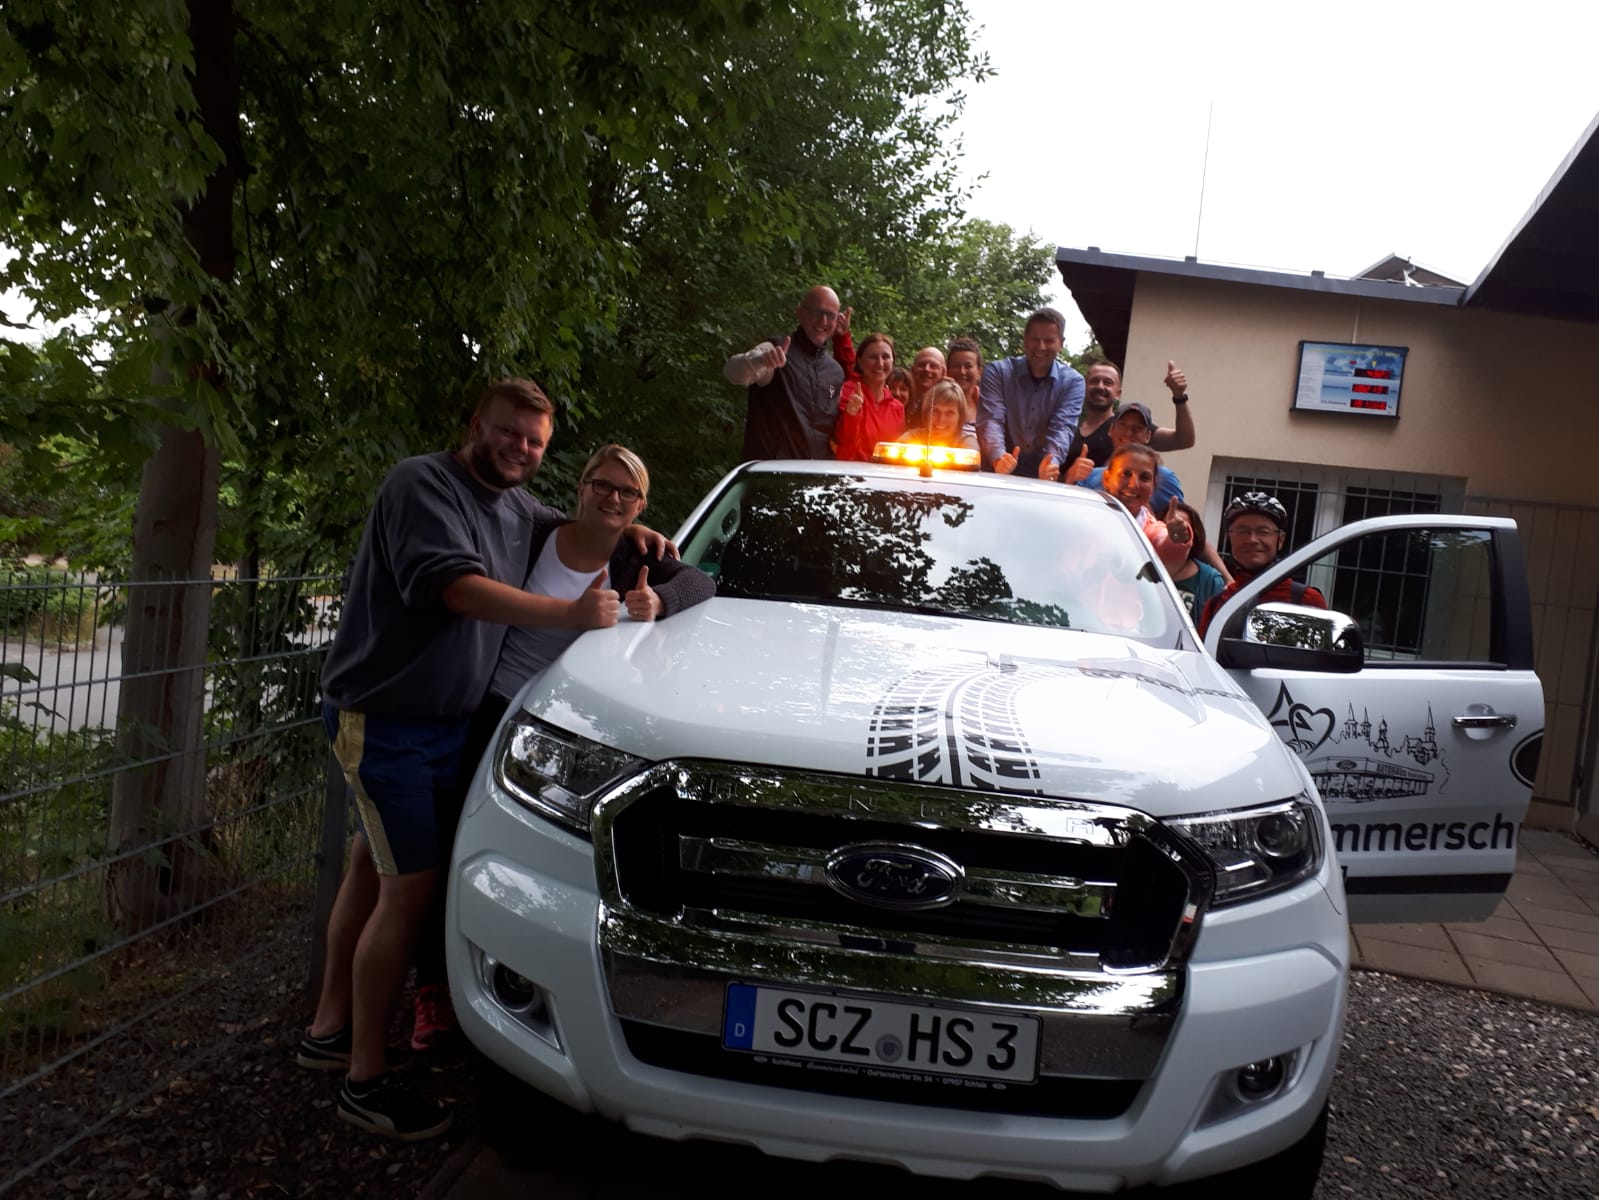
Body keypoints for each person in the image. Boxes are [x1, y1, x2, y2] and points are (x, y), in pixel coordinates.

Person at [302, 379, 666, 1140]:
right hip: (386, 719)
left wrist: (634, 530)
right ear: (476, 424)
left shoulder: (515, 506)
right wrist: (571, 614)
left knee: (370, 864)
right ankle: (365, 1080)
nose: (519, 449)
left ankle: (329, 1030)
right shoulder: (423, 485)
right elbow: (457, 591)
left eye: (534, 441)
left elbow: (577, 522)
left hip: (445, 725)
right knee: (408, 892)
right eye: (508, 432)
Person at [468, 445, 715, 768]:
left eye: (628, 492)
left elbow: (701, 583)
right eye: (602, 485)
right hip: (494, 703)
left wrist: (658, 600)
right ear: (581, 488)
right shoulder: (538, 532)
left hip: (566, 723)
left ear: (640, 505)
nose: (613, 498)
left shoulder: (636, 557)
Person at [724, 285, 846, 460]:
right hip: (771, 472)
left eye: (830, 315)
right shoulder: (775, 350)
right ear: (800, 312)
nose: (823, 321)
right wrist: (760, 361)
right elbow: (732, 372)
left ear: (837, 320)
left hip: (817, 473)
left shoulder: (835, 372)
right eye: (816, 312)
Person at [1198, 492, 1327, 636]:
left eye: (1263, 532)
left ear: (1280, 540)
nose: (1252, 540)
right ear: (1229, 538)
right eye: (1243, 531)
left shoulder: (1306, 599)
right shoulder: (1216, 603)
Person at [977, 307, 1083, 480]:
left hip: (1040, 478)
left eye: (1049, 341)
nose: (1041, 347)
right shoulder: (998, 372)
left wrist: (1051, 462)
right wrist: (998, 456)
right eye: (1035, 339)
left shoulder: (1073, 382)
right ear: (1025, 340)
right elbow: (991, 419)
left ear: (1061, 343)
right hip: (995, 474)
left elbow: (1062, 427)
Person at [1066, 358, 1195, 471]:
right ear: (1084, 387)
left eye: (1108, 382)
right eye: (1094, 381)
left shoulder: (1128, 428)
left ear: (1118, 393)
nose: (1100, 386)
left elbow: (1184, 440)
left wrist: (1179, 396)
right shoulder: (1068, 430)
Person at [1063, 402, 1184, 511]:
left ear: (1148, 436)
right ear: (1111, 430)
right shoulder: (1091, 476)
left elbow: (1181, 517)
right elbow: (1070, 513)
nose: (1128, 433)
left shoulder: (1164, 477)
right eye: (1122, 425)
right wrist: (1070, 479)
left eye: (1137, 428)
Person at [1099, 443, 1190, 575]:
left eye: (1144, 477)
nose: (1134, 485)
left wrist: (1175, 538)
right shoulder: (1086, 516)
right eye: (1126, 474)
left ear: (1153, 485)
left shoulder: (1151, 529)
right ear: (1107, 478)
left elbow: (1163, 541)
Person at [830, 332, 905, 461]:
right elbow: (843, 443)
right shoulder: (848, 392)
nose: (880, 363)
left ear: (893, 361)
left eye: (886, 357)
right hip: (849, 470)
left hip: (884, 472)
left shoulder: (897, 407)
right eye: (873, 357)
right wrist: (851, 415)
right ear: (860, 362)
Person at [1168, 500, 1227, 621]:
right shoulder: (1144, 569)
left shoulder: (1211, 580)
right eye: (1168, 526)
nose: (1175, 532)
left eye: (1183, 529)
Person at [900, 380, 979, 450]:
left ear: (960, 417)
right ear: (926, 413)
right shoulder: (912, 437)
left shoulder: (967, 443)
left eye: (949, 413)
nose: (941, 419)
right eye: (935, 411)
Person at [945, 337, 983, 429]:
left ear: (979, 372)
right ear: (947, 370)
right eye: (956, 366)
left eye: (968, 366)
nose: (962, 372)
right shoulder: (934, 403)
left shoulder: (988, 407)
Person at [904, 346, 947, 428]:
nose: (927, 369)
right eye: (922, 365)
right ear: (912, 369)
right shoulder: (901, 396)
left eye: (933, 366)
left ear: (943, 372)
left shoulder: (950, 403)